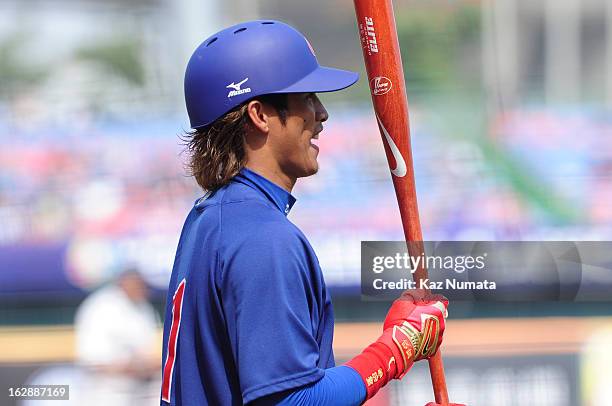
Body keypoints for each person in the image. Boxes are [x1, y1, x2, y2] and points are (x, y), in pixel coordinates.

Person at [161, 20, 456, 405]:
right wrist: (396, 349)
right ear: (259, 115)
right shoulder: (262, 238)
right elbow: (294, 401)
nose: (322, 114)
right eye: (308, 98)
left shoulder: (210, 220)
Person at [75, 268, 161, 406]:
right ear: (124, 282)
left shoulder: (144, 308)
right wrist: (131, 367)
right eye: (138, 284)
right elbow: (92, 361)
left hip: (141, 390)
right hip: (106, 391)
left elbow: (151, 355)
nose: (143, 290)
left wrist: (145, 366)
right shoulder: (101, 306)